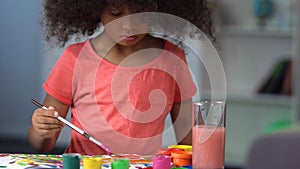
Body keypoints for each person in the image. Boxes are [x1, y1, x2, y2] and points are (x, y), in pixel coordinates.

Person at [28, 0, 215, 155]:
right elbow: (41, 144)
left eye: (141, 15)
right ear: (95, 9)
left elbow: (189, 144)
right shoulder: (75, 59)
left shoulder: (172, 59)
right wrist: (42, 129)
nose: (129, 26)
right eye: (116, 14)